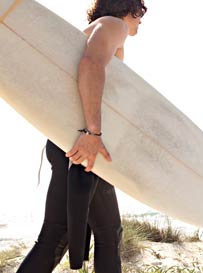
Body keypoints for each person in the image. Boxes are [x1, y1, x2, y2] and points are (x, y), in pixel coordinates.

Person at [16, 1, 147, 272]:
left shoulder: (96, 29)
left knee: (84, 234)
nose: (141, 20)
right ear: (129, 9)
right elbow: (90, 65)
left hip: (71, 142)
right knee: (88, 236)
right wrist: (92, 132)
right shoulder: (115, 25)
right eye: (140, 13)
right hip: (81, 144)